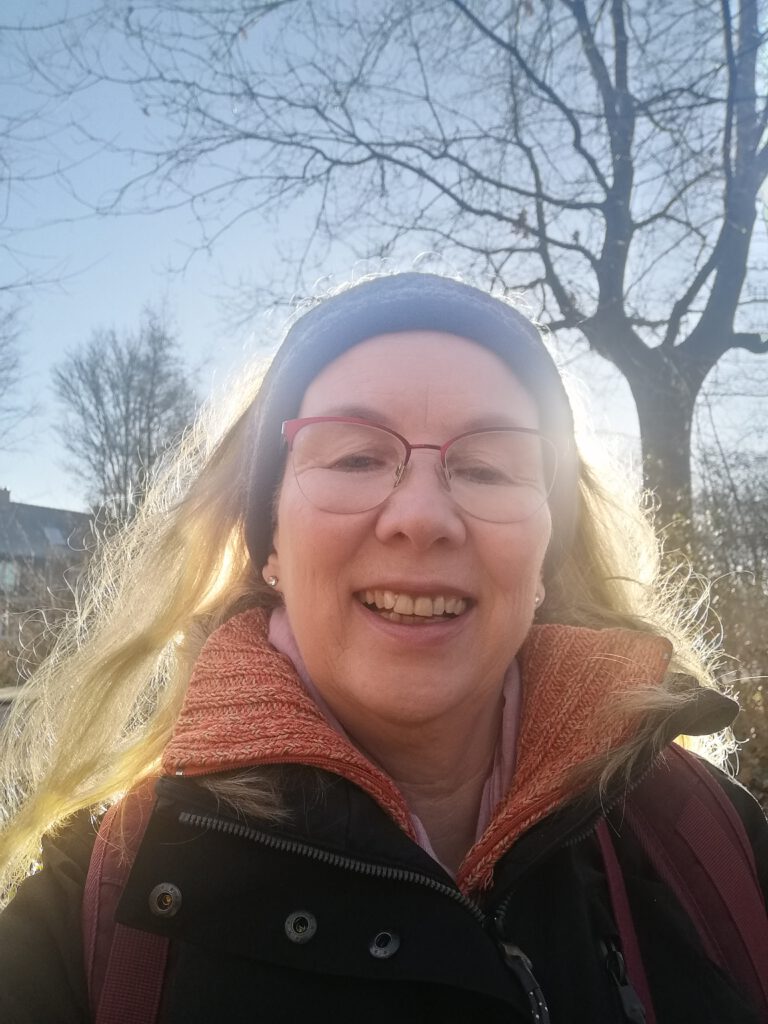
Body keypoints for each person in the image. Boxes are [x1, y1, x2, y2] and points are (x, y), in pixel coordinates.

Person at [0, 271, 765, 1024]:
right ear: (270, 543)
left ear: (544, 558)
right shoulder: (100, 904)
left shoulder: (700, 838)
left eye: (486, 466)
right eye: (356, 458)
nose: (422, 516)